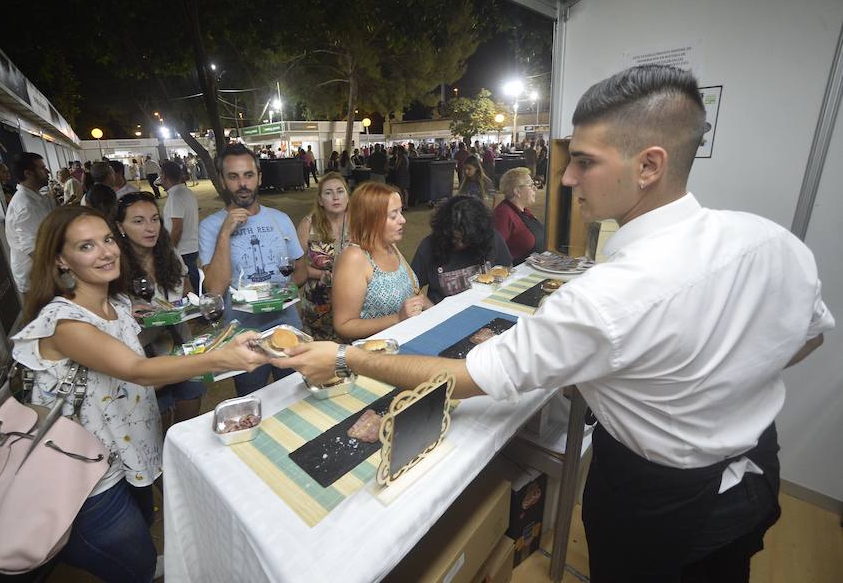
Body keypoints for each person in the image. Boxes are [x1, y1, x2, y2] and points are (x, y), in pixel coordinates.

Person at [273, 65, 835, 583]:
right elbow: (806, 337)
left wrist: (347, 358)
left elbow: (467, 378)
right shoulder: (771, 240)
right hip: (758, 474)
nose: (566, 178)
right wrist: (721, 384)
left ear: (649, 165)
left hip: (658, 501)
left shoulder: (605, 297)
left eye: (586, 161)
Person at [12, 206, 267, 583]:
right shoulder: (63, 322)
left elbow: (128, 380)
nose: (106, 252)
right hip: (84, 473)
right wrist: (220, 358)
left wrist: (224, 340)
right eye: (87, 246)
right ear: (61, 260)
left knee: (143, 528)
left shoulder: (115, 305)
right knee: (134, 561)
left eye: (107, 240)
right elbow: (138, 371)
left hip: (130, 452)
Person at [199, 145, 308, 397]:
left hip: (287, 328)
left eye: (248, 175)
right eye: (233, 177)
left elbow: (300, 272)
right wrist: (225, 233)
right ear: (223, 181)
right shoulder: (210, 227)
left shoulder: (280, 219)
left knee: (295, 397)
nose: (242, 184)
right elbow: (215, 289)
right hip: (242, 336)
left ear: (259, 177)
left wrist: (281, 294)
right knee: (253, 401)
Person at [115, 191, 203, 434]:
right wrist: (129, 312)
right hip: (143, 356)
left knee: (187, 427)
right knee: (157, 429)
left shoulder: (168, 252)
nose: (150, 228)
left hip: (180, 346)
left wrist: (189, 305)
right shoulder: (113, 264)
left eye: (155, 219)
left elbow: (187, 291)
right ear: (120, 226)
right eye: (138, 221)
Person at [331, 182, 431, 341]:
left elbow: (413, 293)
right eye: (393, 215)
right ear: (371, 219)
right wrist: (397, 319)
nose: (403, 220)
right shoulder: (354, 258)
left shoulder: (391, 246)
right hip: (373, 357)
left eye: (401, 212)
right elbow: (344, 326)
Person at [410, 195, 512, 304]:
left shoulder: (492, 238)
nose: (460, 244)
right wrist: (429, 307)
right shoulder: (429, 247)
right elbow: (411, 290)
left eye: (467, 240)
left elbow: (507, 272)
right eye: (455, 239)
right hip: (444, 313)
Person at [296, 172, 349, 341]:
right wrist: (322, 274)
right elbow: (296, 267)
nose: (335, 197)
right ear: (320, 200)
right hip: (318, 303)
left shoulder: (359, 223)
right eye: (328, 193)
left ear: (347, 195)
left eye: (340, 191)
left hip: (353, 299)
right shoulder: (308, 224)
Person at [5, 152, 53, 294]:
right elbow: (33, 250)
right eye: (42, 168)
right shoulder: (25, 206)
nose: (47, 171)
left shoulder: (34, 199)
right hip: (36, 278)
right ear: (28, 173)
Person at [159, 160, 201, 293]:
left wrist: (170, 250)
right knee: (195, 284)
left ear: (164, 176)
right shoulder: (187, 192)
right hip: (191, 246)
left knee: (190, 287)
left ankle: (203, 309)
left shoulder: (175, 197)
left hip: (181, 250)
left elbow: (177, 228)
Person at [493, 167, 544, 264]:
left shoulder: (525, 211)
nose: (535, 189)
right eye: (531, 185)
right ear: (517, 192)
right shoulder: (503, 214)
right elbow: (495, 252)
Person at [391, 145, 411, 210]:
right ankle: (406, 204)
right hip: (406, 174)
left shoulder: (400, 157)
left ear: (399, 150)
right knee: (405, 190)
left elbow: (396, 167)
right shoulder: (406, 156)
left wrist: (391, 167)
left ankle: (404, 204)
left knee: (402, 190)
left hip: (401, 175)